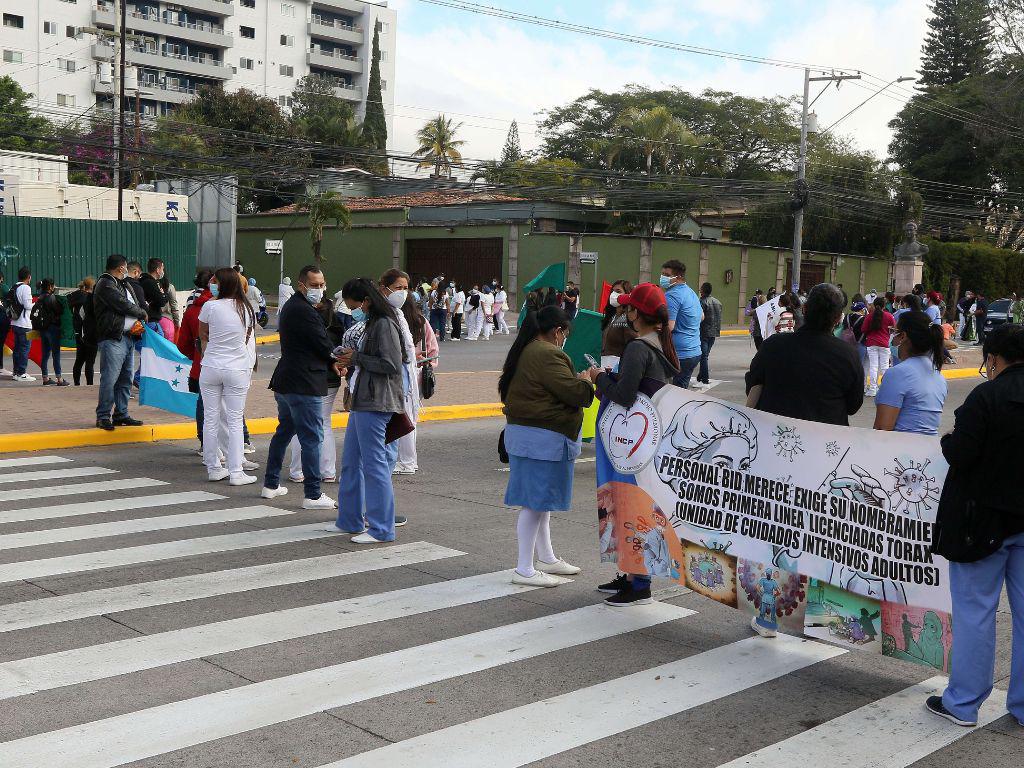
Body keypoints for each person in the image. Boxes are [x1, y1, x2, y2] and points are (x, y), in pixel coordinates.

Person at [927, 323, 1024, 729]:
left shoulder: (986, 397)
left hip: (981, 524)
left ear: (995, 358)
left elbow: (961, 453)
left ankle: (963, 703)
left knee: (975, 613)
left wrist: (950, 440)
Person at [585, 283, 679, 605]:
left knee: (628, 504)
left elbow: (625, 396)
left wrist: (599, 377)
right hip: (645, 444)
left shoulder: (638, 348)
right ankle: (631, 574)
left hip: (630, 445)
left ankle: (639, 583)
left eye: (628, 308)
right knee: (635, 503)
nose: (625, 312)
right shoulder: (661, 346)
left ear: (638, 314)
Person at [500, 305, 593, 587]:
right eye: (565, 333)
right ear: (557, 331)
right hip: (541, 438)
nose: (565, 338)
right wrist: (586, 381)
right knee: (534, 504)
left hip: (530, 436)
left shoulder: (529, 349)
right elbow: (574, 393)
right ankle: (524, 569)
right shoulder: (549, 354)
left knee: (541, 502)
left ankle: (547, 557)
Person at [334, 278, 406, 544]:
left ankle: (381, 528)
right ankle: (349, 519)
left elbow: (391, 364)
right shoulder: (373, 323)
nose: (353, 309)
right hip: (363, 399)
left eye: (354, 304)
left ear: (365, 301)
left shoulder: (384, 324)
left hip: (377, 401)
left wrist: (356, 358)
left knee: (374, 466)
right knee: (352, 463)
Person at [261, 265, 339, 510]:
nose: (319, 289)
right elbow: (322, 343)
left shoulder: (294, 307)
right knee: (311, 438)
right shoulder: (303, 310)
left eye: (322, 284)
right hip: (303, 383)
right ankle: (313, 494)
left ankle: (271, 484)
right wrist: (339, 359)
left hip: (288, 381)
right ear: (301, 285)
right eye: (314, 285)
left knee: (284, 431)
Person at [745, 283, 864, 426]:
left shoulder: (772, 346)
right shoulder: (848, 355)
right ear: (838, 318)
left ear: (805, 308)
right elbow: (853, 406)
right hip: (825, 440)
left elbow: (752, 386)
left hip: (776, 437)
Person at [198, 268, 259, 486]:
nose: (211, 284)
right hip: (236, 368)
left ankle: (214, 467)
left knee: (211, 419)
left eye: (214, 281)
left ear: (222, 284)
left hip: (211, 366)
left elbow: (202, 335)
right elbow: (246, 339)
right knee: (234, 421)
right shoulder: (246, 308)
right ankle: (236, 471)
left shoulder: (209, 306)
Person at [379, 268, 436, 477]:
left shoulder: (410, 319)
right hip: (410, 377)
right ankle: (406, 461)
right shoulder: (401, 317)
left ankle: (406, 461)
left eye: (405, 288)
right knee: (406, 420)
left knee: (403, 420)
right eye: (398, 288)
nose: (402, 292)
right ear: (384, 289)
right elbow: (432, 351)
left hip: (409, 378)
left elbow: (431, 350)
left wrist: (417, 360)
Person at [286, 292, 346, 484]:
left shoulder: (303, 319)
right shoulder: (335, 321)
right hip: (331, 378)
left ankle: (298, 470)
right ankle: (327, 470)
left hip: (309, 377)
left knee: (302, 424)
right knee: (324, 423)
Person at [93, 255, 148, 430]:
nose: (127, 271)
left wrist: (140, 313)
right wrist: (141, 312)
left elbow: (135, 302)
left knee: (126, 378)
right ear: (121, 268)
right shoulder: (106, 284)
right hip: (113, 338)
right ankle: (103, 416)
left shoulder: (124, 284)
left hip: (128, 337)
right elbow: (122, 304)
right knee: (110, 378)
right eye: (125, 268)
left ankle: (121, 413)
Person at [873, 311, 947, 435]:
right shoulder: (938, 376)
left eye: (894, 332)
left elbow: (882, 429)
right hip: (928, 450)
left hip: (900, 450)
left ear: (903, 336)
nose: (892, 337)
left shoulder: (897, 374)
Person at [661, 259, 703, 388]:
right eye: (662, 274)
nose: (662, 278)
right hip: (694, 351)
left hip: (680, 354)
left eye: (667, 275)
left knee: (672, 395)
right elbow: (701, 316)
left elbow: (669, 326)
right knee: (681, 392)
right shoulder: (690, 292)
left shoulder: (672, 295)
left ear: (677, 277)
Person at [35, 278, 68, 386]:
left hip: (43, 329)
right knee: (56, 354)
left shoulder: (39, 298)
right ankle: (59, 379)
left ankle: (45, 378)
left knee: (45, 354)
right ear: (50, 287)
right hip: (53, 328)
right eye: (53, 286)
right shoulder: (51, 298)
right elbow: (59, 310)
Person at [862, 297, 895, 397]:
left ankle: (872, 389)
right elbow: (893, 329)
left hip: (871, 343)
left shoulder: (869, 316)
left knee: (873, 366)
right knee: (885, 367)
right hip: (884, 344)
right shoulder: (889, 316)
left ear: (874, 305)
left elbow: (863, 329)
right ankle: (885, 388)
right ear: (884, 305)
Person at [68, 277, 97, 386]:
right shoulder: (89, 299)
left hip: (78, 332)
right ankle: (89, 384)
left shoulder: (74, 298)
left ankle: (76, 384)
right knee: (90, 361)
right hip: (89, 332)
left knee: (79, 360)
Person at [9, 266, 35, 382]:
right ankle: (22, 373)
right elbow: (28, 306)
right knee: (25, 348)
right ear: (28, 277)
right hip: (25, 324)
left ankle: (15, 373)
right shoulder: (26, 288)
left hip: (14, 322)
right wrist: (36, 304)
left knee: (17, 349)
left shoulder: (14, 287)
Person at [601, 280, 636, 360]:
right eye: (612, 291)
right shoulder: (612, 317)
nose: (613, 294)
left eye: (618, 291)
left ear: (627, 294)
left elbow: (632, 346)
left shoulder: (628, 318)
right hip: (607, 364)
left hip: (620, 366)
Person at [697, 282, 722, 385]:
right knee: (705, 355)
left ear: (703, 291)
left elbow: (699, 317)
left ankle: (705, 378)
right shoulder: (718, 302)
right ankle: (701, 375)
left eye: (701, 289)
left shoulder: (702, 302)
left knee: (704, 356)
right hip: (714, 332)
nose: (699, 290)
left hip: (704, 332)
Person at [139, 259, 169, 339]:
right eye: (162, 269)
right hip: (151, 320)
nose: (163, 271)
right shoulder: (151, 283)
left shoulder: (143, 280)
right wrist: (164, 295)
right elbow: (162, 301)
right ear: (157, 270)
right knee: (158, 343)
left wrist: (163, 295)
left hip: (147, 319)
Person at [159, 273, 180, 341]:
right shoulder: (169, 287)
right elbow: (174, 305)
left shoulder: (150, 286)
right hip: (167, 320)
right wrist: (177, 322)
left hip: (152, 322)